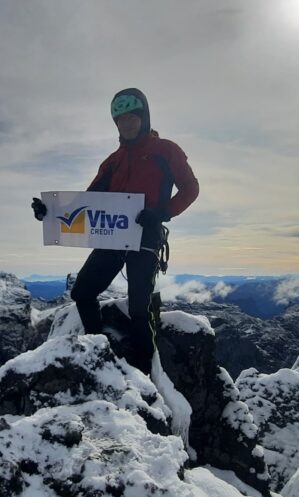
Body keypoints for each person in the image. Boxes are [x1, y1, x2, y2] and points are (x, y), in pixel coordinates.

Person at [31, 88, 199, 374]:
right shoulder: (113, 160)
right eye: (121, 120)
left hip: (145, 235)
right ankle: (100, 348)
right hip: (114, 233)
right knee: (83, 291)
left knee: (138, 307)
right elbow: (88, 202)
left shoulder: (166, 151)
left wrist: (161, 213)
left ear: (144, 118)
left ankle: (143, 371)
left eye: (133, 117)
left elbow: (190, 189)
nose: (127, 124)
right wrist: (50, 212)